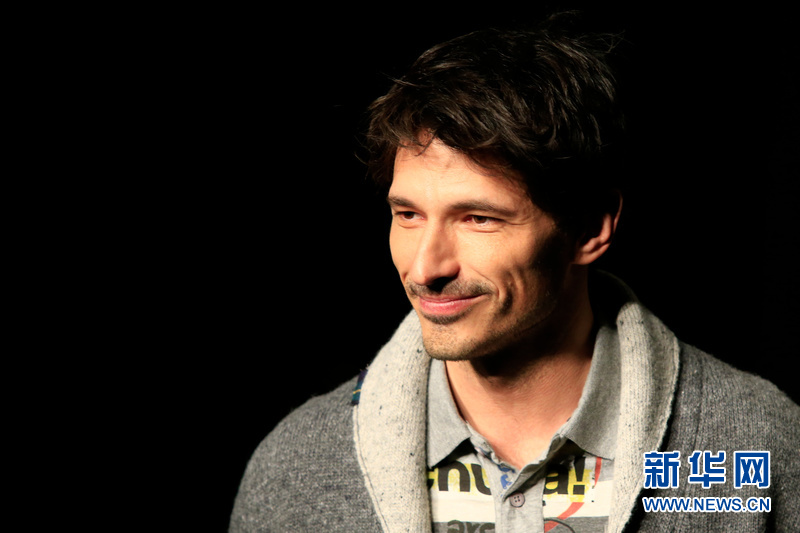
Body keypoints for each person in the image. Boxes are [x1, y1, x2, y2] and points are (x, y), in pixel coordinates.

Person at [230, 13, 799, 532]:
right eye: (407, 215)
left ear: (590, 228)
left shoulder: (754, 448)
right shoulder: (299, 465)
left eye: (478, 218)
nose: (425, 268)